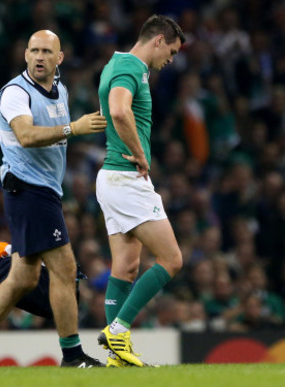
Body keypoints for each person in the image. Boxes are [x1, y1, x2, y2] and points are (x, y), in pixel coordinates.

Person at [0, 30, 107, 369]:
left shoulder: (60, 90)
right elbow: (24, 134)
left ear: (59, 58)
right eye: (34, 50)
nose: (40, 57)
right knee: (65, 270)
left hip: (45, 192)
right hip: (27, 189)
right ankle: (72, 355)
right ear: (25, 55)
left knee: (24, 277)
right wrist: (73, 129)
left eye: (47, 51)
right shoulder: (14, 92)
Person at [95, 15, 185, 367]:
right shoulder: (131, 67)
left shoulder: (114, 64)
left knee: (126, 268)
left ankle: (116, 355)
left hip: (111, 179)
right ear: (159, 40)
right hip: (126, 178)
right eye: (173, 51)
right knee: (172, 259)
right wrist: (140, 154)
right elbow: (118, 111)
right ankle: (118, 329)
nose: (171, 60)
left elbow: (107, 110)